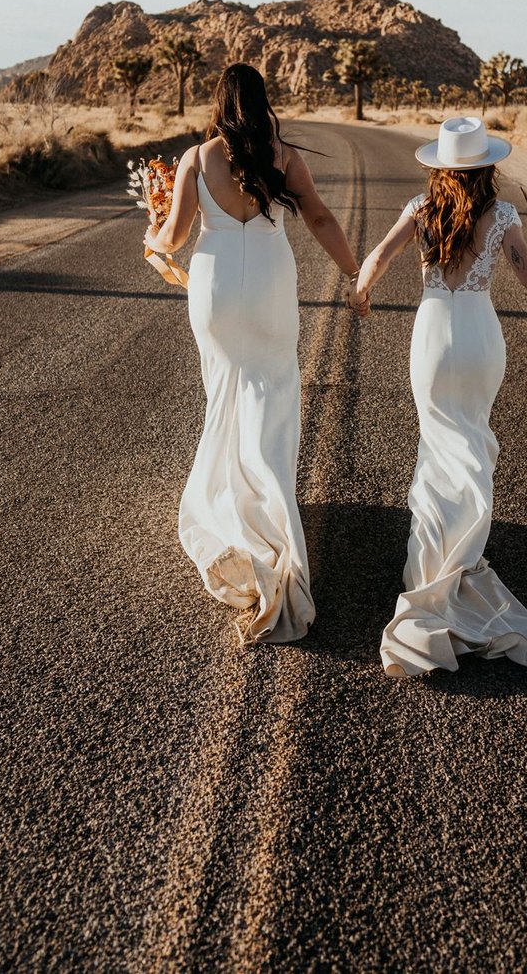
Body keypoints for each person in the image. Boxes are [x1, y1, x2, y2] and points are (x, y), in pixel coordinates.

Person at [149, 63, 360, 646]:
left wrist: (151, 230)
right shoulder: (284, 156)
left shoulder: (197, 159)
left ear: (220, 102)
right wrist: (353, 273)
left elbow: (173, 238)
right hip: (269, 282)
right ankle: (269, 506)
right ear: (262, 101)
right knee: (271, 389)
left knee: (224, 391)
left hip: (215, 286)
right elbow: (317, 216)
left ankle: (228, 508)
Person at [351, 116, 527, 678]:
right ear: (488, 167)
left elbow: (375, 259)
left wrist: (361, 295)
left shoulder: (421, 211)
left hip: (433, 336)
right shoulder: (505, 216)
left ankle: (427, 573)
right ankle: (462, 564)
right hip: (479, 337)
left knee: (436, 447)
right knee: (473, 447)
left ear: (440, 169)